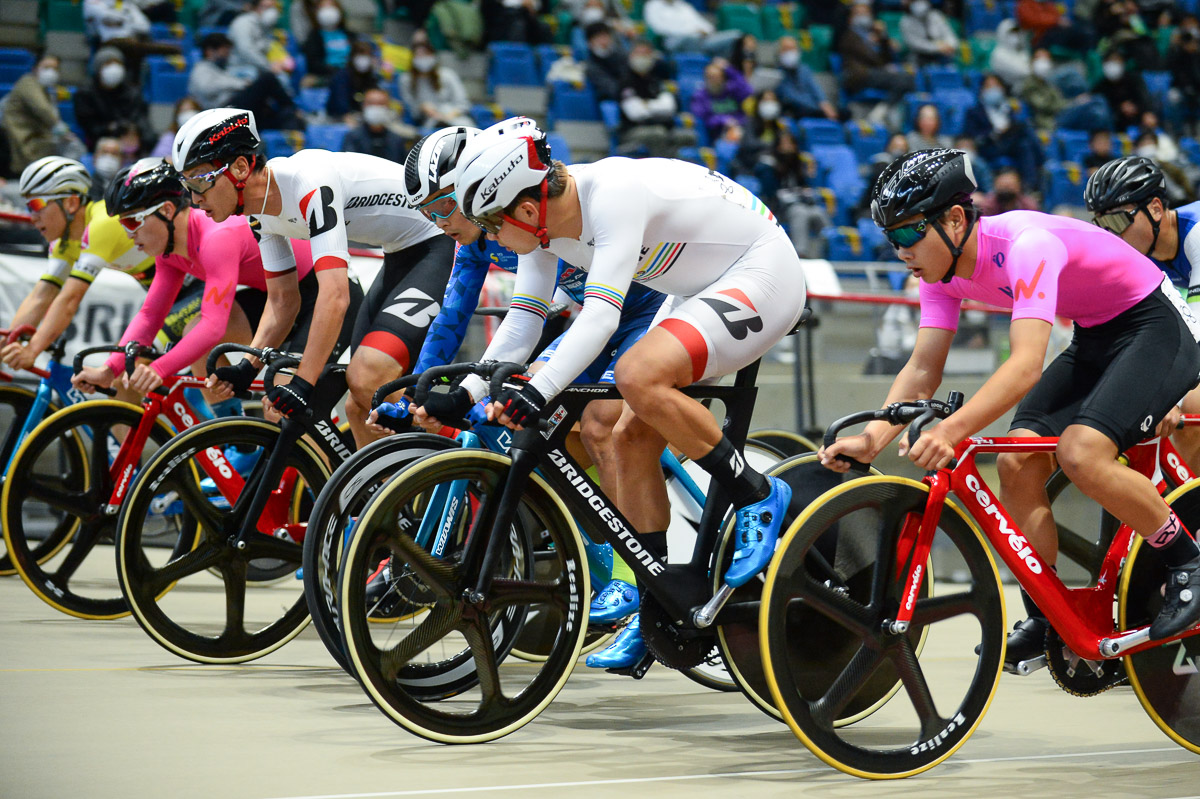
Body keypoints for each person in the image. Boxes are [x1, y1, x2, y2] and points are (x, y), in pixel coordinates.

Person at [445, 117, 807, 666]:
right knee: (626, 435)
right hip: (697, 287)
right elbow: (520, 326)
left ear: (524, 209)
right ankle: (656, 600)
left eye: (489, 225)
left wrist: (539, 391)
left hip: (762, 270)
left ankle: (757, 493)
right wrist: (467, 391)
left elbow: (598, 318)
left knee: (637, 374)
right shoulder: (541, 230)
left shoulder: (612, 193)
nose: (490, 239)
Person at [821, 148, 1200, 669]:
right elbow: (923, 367)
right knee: (1016, 461)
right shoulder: (938, 273)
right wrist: (872, 437)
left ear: (955, 219)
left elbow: (1025, 365)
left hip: (1156, 324)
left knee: (1083, 453)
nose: (900, 250)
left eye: (909, 233)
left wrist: (952, 430)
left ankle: (1187, 560)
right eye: (891, 238)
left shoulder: (1026, 245)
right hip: (1097, 333)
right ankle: (1048, 617)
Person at [390, 124, 665, 647]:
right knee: (540, 423)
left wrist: (509, 383)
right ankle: (593, 544)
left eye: (444, 208)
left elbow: (564, 320)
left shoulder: (531, 212)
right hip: (587, 316)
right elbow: (467, 313)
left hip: (637, 310)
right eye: (428, 214)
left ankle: (634, 578)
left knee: (602, 423)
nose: (441, 223)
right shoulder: (483, 238)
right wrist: (437, 388)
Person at [173, 107, 453, 448]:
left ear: (241, 168)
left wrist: (304, 383)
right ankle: (389, 498)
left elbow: (335, 296)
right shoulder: (259, 214)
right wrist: (248, 365)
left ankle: (464, 453)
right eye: (187, 184)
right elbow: (282, 301)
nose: (194, 198)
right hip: (398, 253)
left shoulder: (308, 183)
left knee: (366, 380)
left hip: (436, 242)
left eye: (201, 180)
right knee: (359, 408)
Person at [70, 158, 330, 411]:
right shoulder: (169, 253)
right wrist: (109, 369)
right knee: (193, 333)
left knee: (281, 408)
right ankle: (240, 445)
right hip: (278, 300)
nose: (128, 234)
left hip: (317, 298)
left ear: (167, 211)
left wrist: (158, 369)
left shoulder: (215, 238)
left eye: (131, 221)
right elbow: (151, 315)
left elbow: (213, 326)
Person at [1085, 156, 1200, 466]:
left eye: (1118, 222)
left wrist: (1170, 397)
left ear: (1156, 209)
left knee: (1192, 407)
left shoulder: (1197, 234)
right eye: (1102, 224)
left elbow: (1195, 333)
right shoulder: (1138, 255)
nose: (1111, 235)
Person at [1, 157, 156, 373]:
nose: (32, 216)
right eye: (28, 206)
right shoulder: (62, 242)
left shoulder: (102, 223)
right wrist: (8, 341)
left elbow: (69, 299)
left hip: (194, 287)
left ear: (71, 203)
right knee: (126, 377)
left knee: (127, 375)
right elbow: (42, 295)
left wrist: (32, 351)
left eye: (36, 205)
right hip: (166, 296)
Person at [189, 33, 302, 132]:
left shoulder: (220, 69)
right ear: (210, 51)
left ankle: (292, 126)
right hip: (221, 112)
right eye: (224, 51)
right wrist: (240, 85)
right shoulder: (201, 68)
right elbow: (207, 88)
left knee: (275, 113)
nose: (227, 55)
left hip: (232, 110)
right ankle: (294, 108)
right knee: (268, 79)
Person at [1, 53, 81, 174]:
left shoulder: (47, 91)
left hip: (36, 140)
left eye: (55, 68)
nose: (51, 72)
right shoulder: (27, 83)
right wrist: (63, 131)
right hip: (19, 140)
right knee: (72, 146)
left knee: (73, 147)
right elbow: (43, 110)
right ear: (35, 69)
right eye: (46, 67)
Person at [73, 46, 153, 151]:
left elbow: (140, 120)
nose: (114, 69)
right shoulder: (85, 93)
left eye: (118, 64)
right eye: (108, 64)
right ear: (99, 68)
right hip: (97, 141)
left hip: (130, 140)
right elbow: (89, 126)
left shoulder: (132, 92)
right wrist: (111, 128)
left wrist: (133, 131)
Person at [398, 41, 472, 129]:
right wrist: (422, 107)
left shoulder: (448, 75)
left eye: (426, 54)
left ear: (433, 56)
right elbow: (410, 108)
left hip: (454, 117)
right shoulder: (406, 79)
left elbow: (463, 103)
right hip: (429, 121)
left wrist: (449, 116)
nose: (422, 58)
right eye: (419, 55)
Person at [774, 36, 839, 122]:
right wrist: (815, 107)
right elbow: (789, 96)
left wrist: (824, 104)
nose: (790, 52)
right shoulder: (776, 73)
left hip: (815, 108)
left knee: (845, 113)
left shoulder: (804, 69)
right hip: (797, 109)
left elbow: (815, 88)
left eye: (793, 48)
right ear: (779, 52)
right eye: (786, 49)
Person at [690, 59, 752, 143]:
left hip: (741, 127)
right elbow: (703, 118)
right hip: (718, 133)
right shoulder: (701, 96)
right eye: (710, 77)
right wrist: (724, 120)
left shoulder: (731, 90)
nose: (714, 81)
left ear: (723, 78)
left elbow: (748, 90)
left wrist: (729, 69)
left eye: (717, 77)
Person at [341, 88, 408, 163]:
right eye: (371, 103)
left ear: (388, 107)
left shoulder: (396, 140)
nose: (376, 107)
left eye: (380, 104)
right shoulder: (352, 137)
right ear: (363, 106)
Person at [325, 38, 382, 119]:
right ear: (352, 56)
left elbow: (374, 96)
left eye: (367, 56)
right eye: (361, 55)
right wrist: (348, 117)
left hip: (362, 117)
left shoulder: (370, 77)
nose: (364, 59)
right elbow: (340, 103)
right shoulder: (341, 76)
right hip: (338, 118)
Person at [301, 0, 353, 81]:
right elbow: (314, 63)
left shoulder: (349, 35)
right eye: (324, 7)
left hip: (349, 73)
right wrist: (335, 71)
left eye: (331, 6)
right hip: (328, 75)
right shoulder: (314, 36)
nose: (328, 11)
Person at [899, 0, 959, 65]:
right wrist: (938, 48)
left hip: (944, 54)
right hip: (919, 57)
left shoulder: (936, 15)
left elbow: (949, 34)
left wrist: (951, 45)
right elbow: (915, 44)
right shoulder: (905, 22)